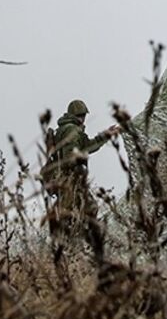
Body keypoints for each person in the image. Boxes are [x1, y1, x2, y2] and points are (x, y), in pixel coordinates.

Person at [42, 99, 119, 240]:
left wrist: (105, 135)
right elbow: (70, 156)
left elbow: (87, 146)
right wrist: (78, 168)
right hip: (69, 180)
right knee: (86, 210)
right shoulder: (72, 129)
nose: (84, 119)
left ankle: (71, 244)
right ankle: (75, 244)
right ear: (79, 115)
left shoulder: (65, 129)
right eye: (82, 116)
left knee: (74, 212)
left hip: (64, 180)